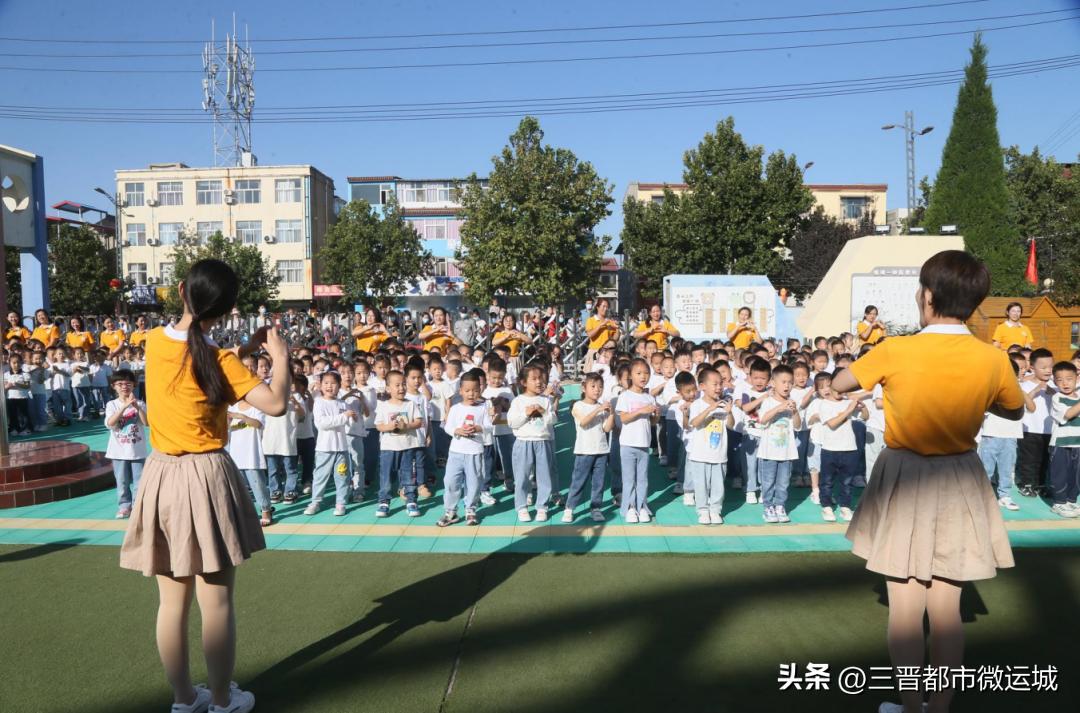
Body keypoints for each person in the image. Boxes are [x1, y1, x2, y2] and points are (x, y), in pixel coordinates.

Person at [830, 249, 1024, 713]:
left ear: (928, 296)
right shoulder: (992, 358)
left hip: (905, 475)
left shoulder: (895, 349)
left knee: (904, 609)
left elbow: (840, 384)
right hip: (960, 475)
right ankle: (939, 709)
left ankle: (911, 705)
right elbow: (1015, 408)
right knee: (947, 612)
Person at [119, 258, 291, 713]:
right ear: (229, 309)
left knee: (171, 604)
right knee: (216, 604)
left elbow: (192, 349)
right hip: (207, 476)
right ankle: (221, 700)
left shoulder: (154, 342)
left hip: (160, 475)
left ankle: (183, 699)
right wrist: (280, 357)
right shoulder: (220, 360)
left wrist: (241, 349)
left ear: (181, 290)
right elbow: (275, 404)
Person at [805, 371, 865, 522]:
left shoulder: (847, 402)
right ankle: (826, 506)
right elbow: (832, 424)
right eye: (837, 388)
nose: (840, 391)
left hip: (849, 448)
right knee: (827, 481)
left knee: (847, 481)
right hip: (830, 449)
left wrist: (862, 407)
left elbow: (865, 417)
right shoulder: (824, 404)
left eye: (843, 389)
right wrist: (849, 410)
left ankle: (845, 506)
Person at [438, 370, 492, 527]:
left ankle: (470, 509)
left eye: (475, 390)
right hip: (456, 452)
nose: (471, 394)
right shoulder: (455, 408)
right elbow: (448, 427)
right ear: (460, 391)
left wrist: (478, 428)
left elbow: (489, 426)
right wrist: (457, 430)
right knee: (450, 481)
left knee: (474, 483)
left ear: (480, 390)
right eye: (467, 390)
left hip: (475, 452)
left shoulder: (483, 407)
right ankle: (450, 511)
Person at [507, 364, 556, 522]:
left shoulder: (546, 400)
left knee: (544, 476)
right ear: (523, 382)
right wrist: (526, 414)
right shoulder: (518, 401)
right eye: (534, 379)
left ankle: (542, 506)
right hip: (523, 442)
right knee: (522, 476)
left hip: (542, 442)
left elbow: (553, 420)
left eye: (541, 378)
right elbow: (512, 423)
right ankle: (521, 507)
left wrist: (543, 412)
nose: (539, 382)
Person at [564, 372, 614, 523]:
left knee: (599, 483)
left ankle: (596, 508)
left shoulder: (601, 407)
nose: (597, 390)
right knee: (578, 481)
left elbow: (606, 429)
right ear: (583, 388)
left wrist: (611, 414)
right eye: (593, 386)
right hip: (584, 450)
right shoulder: (578, 406)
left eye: (600, 387)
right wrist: (598, 410)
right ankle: (569, 508)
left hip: (601, 450)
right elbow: (583, 422)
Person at [685, 366, 733, 525]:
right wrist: (709, 409)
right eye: (715, 384)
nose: (719, 387)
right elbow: (694, 423)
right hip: (700, 455)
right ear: (702, 386)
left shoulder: (724, 404)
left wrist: (729, 412)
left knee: (718, 486)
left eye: (721, 384)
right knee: (701, 485)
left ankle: (715, 510)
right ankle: (703, 510)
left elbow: (731, 425)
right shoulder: (697, 404)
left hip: (719, 454)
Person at [305, 371, 357, 517]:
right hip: (324, 448)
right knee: (320, 476)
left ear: (339, 386)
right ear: (321, 385)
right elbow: (322, 423)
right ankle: (315, 502)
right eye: (326, 383)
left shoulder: (343, 404)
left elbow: (348, 423)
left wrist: (353, 418)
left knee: (342, 476)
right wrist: (344, 416)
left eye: (333, 383)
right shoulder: (319, 402)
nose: (329, 386)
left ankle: (341, 503)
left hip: (341, 448)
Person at [615, 357, 660, 524]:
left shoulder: (649, 397)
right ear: (630, 375)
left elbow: (652, 422)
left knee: (642, 479)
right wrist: (641, 411)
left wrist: (656, 416)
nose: (643, 376)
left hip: (644, 444)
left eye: (646, 373)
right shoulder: (625, 396)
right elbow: (624, 418)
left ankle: (642, 506)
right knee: (629, 479)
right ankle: (629, 507)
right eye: (639, 373)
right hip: (628, 444)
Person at [374, 370, 423, 518]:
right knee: (386, 476)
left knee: (408, 475)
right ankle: (384, 501)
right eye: (397, 385)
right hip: (388, 448)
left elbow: (419, 422)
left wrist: (406, 426)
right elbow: (379, 425)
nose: (401, 388)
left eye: (403, 384)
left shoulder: (411, 404)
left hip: (408, 446)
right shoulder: (383, 406)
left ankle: (411, 500)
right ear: (388, 388)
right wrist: (389, 427)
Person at [756, 364, 801, 524]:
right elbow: (763, 419)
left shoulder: (792, 403)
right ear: (773, 383)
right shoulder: (768, 401)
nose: (787, 385)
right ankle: (768, 507)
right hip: (769, 452)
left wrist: (795, 411)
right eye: (783, 382)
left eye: (790, 382)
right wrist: (779, 408)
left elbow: (797, 426)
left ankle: (780, 506)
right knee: (768, 482)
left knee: (783, 483)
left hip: (787, 452)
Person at [978, 359, 1024, 511]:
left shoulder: (1019, 391)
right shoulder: (989, 391)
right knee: (986, 468)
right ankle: (982, 496)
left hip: (1011, 436)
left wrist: (1021, 391)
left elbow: (1031, 408)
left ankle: (1005, 496)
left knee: (1006, 469)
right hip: (990, 435)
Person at [104, 369, 148, 519]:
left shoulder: (140, 403)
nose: (124, 387)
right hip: (118, 452)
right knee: (122, 481)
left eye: (128, 384)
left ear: (134, 385)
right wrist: (124, 407)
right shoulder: (112, 404)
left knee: (139, 482)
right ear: (114, 386)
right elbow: (110, 423)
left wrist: (136, 407)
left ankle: (137, 507)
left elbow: (146, 422)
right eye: (120, 384)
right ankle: (124, 506)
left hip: (137, 451)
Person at [1047, 361, 1080, 518]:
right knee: (1060, 474)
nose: (1065, 383)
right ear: (1054, 381)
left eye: (1069, 379)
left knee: (1076, 475)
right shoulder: (1057, 398)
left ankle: (1071, 501)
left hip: (1078, 444)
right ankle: (1059, 503)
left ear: (1076, 378)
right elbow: (1068, 414)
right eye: (1060, 380)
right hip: (1060, 444)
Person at [583, 298, 621, 371]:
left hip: (607, 352)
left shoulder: (610, 322)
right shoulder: (591, 320)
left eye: (607, 307)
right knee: (592, 375)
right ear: (597, 307)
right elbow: (590, 334)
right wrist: (600, 325)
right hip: (594, 351)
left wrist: (617, 329)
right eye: (603, 306)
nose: (605, 309)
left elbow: (615, 339)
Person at [4, 351, 32, 436]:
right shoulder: (6, 374)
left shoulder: (25, 374)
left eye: (18, 362)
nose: (16, 365)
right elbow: (4, 387)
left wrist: (17, 384)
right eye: (14, 363)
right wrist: (8, 386)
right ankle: (14, 428)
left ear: (22, 363)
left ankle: (26, 429)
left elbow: (27, 386)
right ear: (9, 363)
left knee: (24, 415)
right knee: (12, 414)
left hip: (22, 397)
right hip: (10, 398)